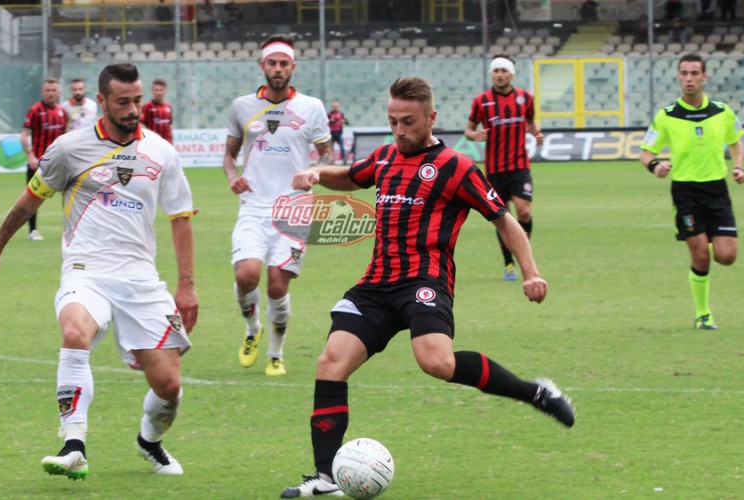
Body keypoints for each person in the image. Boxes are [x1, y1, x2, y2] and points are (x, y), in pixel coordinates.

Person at [280, 76, 574, 498]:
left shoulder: (456, 167)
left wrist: (531, 272)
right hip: (377, 284)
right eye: (393, 121)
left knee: (436, 362)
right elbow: (349, 176)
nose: (400, 130)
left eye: (409, 121)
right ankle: (326, 479)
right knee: (331, 362)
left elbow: (503, 218)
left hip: (425, 281)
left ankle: (535, 392)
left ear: (431, 118)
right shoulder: (384, 158)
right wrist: (316, 173)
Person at [0, 63, 199, 479]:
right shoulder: (68, 148)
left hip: (141, 278)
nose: (133, 110)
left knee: (168, 386)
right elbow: (29, 201)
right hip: (85, 270)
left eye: (137, 100)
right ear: (102, 101)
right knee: (74, 331)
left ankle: (149, 442)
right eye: (123, 102)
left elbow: (181, 217)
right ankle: (73, 443)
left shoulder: (162, 152)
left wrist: (187, 286)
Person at [224, 34, 332, 377]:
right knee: (246, 275)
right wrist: (231, 176)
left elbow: (327, 153)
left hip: (295, 208)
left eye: (284, 63)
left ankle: (275, 351)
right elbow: (229, 153)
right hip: (254, 206)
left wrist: (314, 171)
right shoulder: (242, 106)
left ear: (293, 68)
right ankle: (252, 329)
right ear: (262, 67)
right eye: (272, 63)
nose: (278, 69)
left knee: (275, 285)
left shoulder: (311, 107)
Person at [639, 53, 744, 330]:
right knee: (700, 255)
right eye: (684, 73)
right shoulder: (667, 115)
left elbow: (736, 143)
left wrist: (738, 167)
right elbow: (645, 151)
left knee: (727, 256)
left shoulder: (722, 111)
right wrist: (654, 165)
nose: (689, 78)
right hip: (686, 193)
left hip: (717, 191)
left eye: (694, 73)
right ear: (678, 77)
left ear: (704, 77)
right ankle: (703, 313)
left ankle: (708, 233)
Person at [464, 55, 544, 281]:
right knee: (503, 219)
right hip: (495, 170)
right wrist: (475, 135)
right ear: (492, 74)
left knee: (524, 211)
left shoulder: (525, 98)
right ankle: (509, 262)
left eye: (503, 70)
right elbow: (468, 130)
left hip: (519, 166)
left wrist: (535, 132)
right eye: (496, 70)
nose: (499, 74)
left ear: (512, 74)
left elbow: (530, 121)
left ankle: (523, 251)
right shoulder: (482, 101)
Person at [20, 78, 67, 242]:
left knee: (69, 194)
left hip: (60, 162)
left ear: (59, 92)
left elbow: (66, 136)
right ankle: (32, 230)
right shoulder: (35, 110)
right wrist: (30, 155)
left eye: (54, 90)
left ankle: (69, 229)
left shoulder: (62, 112)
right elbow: (25, 134)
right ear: (43, 92)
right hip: (38, 162)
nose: (51, 93)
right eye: (48, 90)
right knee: (33, 197)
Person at [141, 78, 174, 144]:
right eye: (156, 90)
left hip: (167, 143)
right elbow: (141, 124)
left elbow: (169, 126)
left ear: (165, 91)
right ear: (152, 91)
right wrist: (149, 137)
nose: (159, 93)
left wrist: (171, 141)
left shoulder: (168, 107)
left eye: (161, 90)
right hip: (153, 143)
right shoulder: (147, 106)